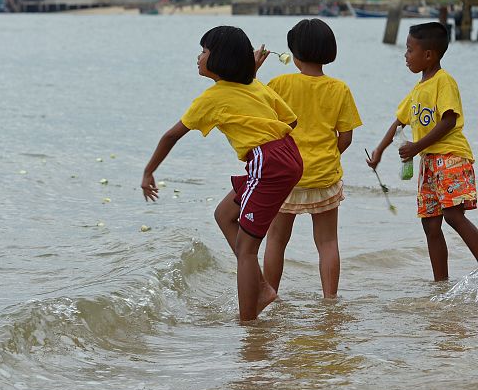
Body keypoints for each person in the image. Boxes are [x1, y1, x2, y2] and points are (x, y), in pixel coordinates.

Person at [141, 25, 303, 321]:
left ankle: (248, 321)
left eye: (204, 51)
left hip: (267, 163)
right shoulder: (256, 86)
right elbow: (290, 121)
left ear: (221, 59)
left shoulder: (212, 98)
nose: (198, 57)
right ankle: (263, 288)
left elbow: (171, 136)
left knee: (246, 249)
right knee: (224, 215)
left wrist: (148, 172)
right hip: (285, 155)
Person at [367, 21, 478, 280]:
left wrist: (416, 146)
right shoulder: (418, 89)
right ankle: (440, 283)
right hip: (429, 163)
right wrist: (379, 151)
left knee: (452, 215)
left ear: (428, 55)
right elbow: (398, 123)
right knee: (429, 223)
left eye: (409, 50)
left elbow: (449, 120)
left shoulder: (443, 81)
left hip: (450, 157)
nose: (405, 56)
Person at [262, 19, 362, 299]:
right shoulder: (339, 88)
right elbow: (346, 137)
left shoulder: (278, 84)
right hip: (324, 175)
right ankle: (330, 300)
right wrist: (328, 156)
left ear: (295, 55)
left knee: (277, 240)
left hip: (285, 175)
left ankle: (270, 296)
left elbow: (264, 124)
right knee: (328, 242)